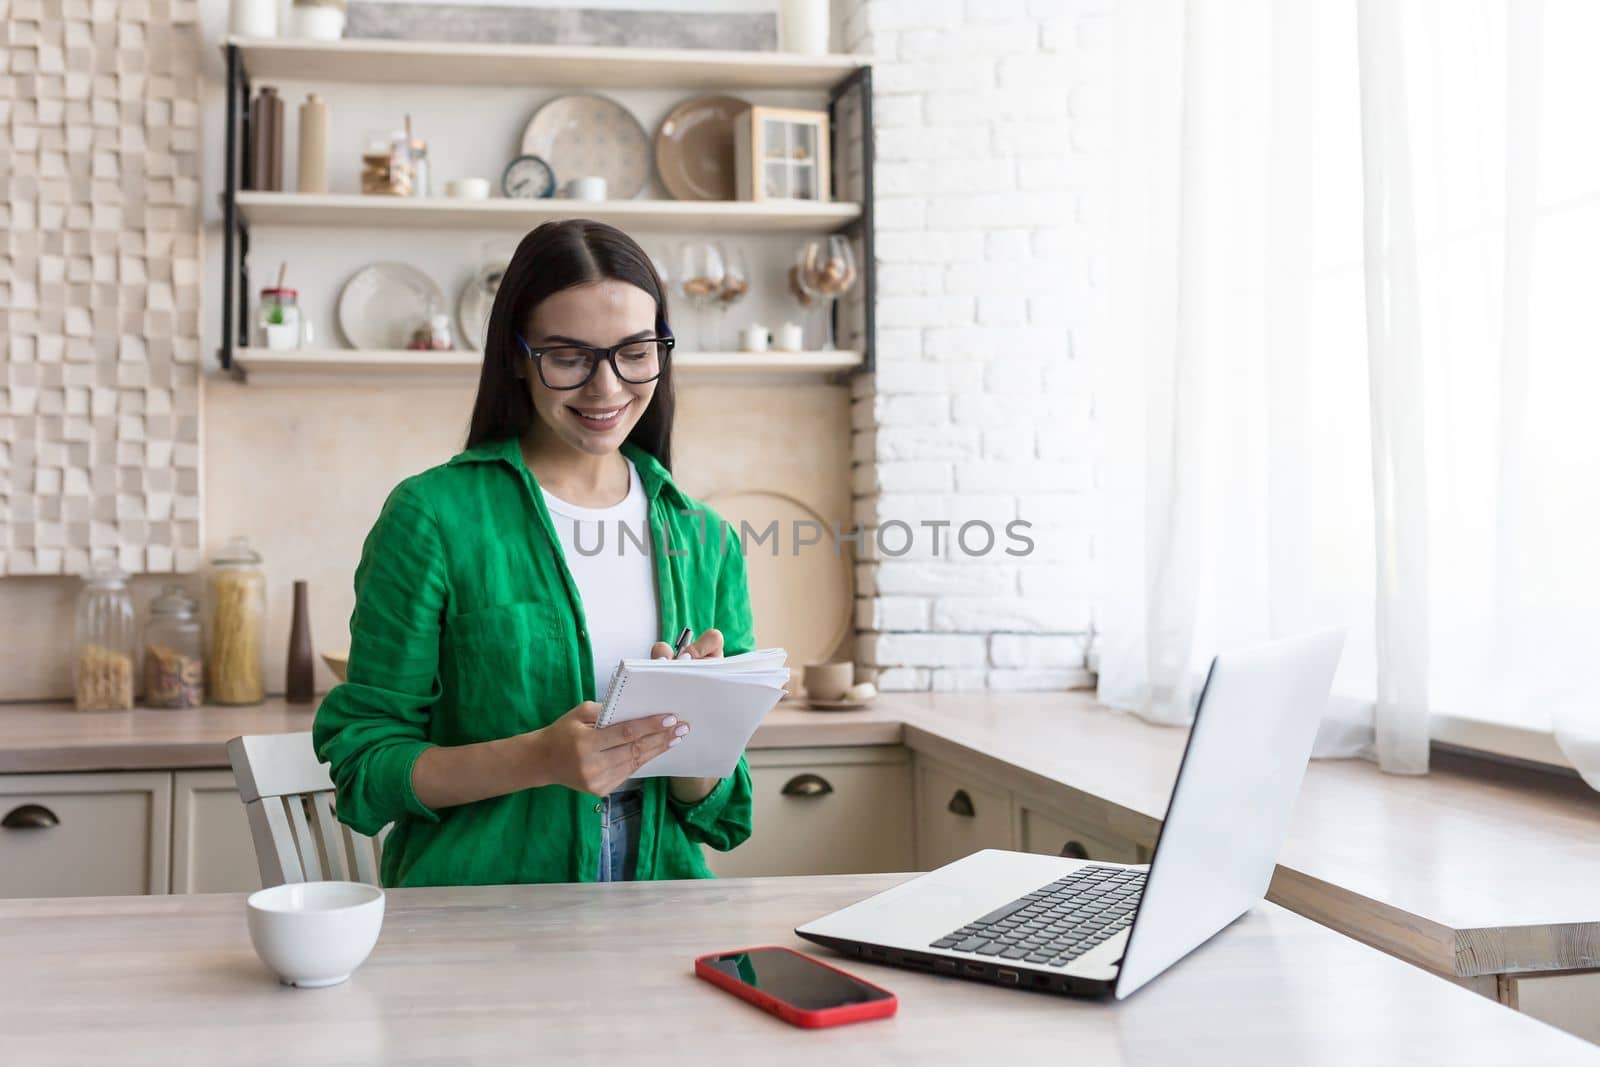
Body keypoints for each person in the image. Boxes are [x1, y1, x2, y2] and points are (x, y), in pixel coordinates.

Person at [314, 219, 755, 887]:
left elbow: (719, 811)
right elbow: (365, 769)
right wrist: (540, 758)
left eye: (635, 352)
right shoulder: (433, 518)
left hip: (661, 913)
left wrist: (691, 734)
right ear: (517, 356)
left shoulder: (704, 537)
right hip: (481, 921)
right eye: (569, 356)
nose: (607, 388)